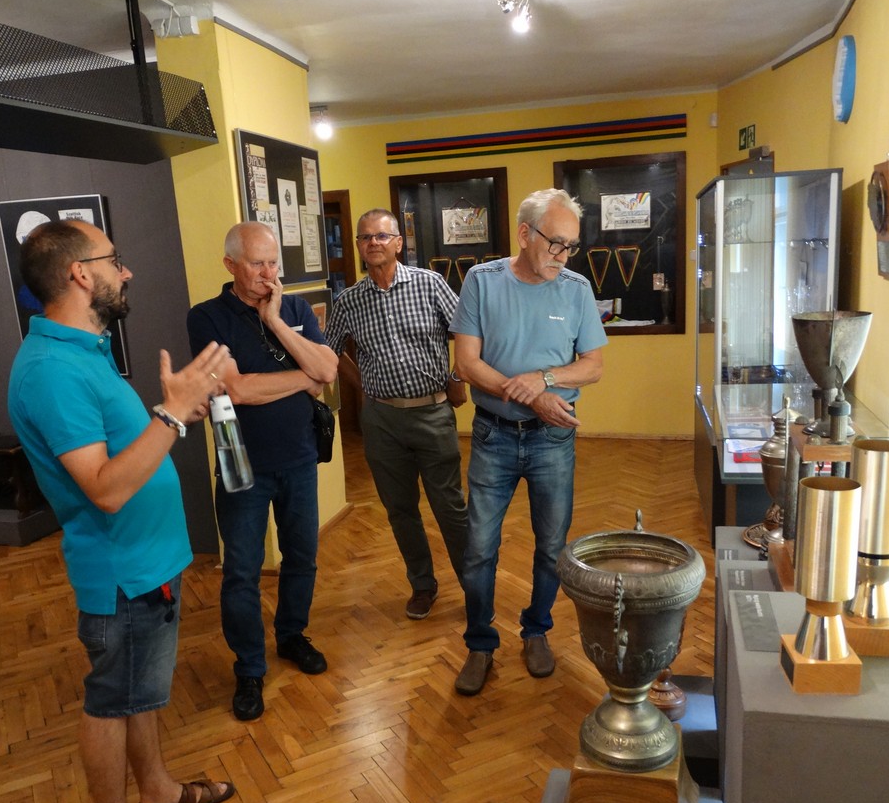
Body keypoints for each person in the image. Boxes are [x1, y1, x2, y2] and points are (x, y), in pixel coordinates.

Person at [8, 220, 235, 803]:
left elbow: (122, 451)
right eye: (114, 260)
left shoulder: (84, 349)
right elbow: (104, 489)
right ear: (80, 273)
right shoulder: (51, 371)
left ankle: (157, 791)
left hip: (149, 564)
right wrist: (172, 414)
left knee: (139, 694)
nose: (126, 271)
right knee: (111, 702)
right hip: (121, 575)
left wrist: (177, 411)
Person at [449, 188, 608, 696]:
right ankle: (480, 643)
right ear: (524, 233)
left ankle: (536, 629)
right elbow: (466, 363)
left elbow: (593, 366)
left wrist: (544, 379)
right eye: (555, 243)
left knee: (552, 547)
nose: (563, 256)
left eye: (571, 246)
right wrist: (531, 396)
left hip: (553, 440)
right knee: (478, 549)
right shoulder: (482, 281)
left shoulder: (577, 289)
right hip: (492, 435)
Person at [187, 222, 339, 722]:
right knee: (241, 572)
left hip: (298, 456)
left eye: (273, 263)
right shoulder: (206, 317)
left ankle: (291, 635)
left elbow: (329, 371)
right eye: (257, 264)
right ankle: (249, 667)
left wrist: (275, 321)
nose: (268, 273)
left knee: (302, 557)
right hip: (240, 460)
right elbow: (238, 389)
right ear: (230, 264)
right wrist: (304, 377)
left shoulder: (293, 309)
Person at [323, 209, 468, 620]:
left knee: (450, 507)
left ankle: (475, 585)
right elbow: (329, 352)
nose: (373, 243)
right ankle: (422, 585)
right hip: (382, 421)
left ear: (399, 243)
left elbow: (468, 331)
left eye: (382, 236)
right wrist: (363, 386)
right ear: (358, 246)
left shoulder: (429, 284)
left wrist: (457, 377)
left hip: (432, 413)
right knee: (400, 510)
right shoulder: (349, 301)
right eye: (365, 237)